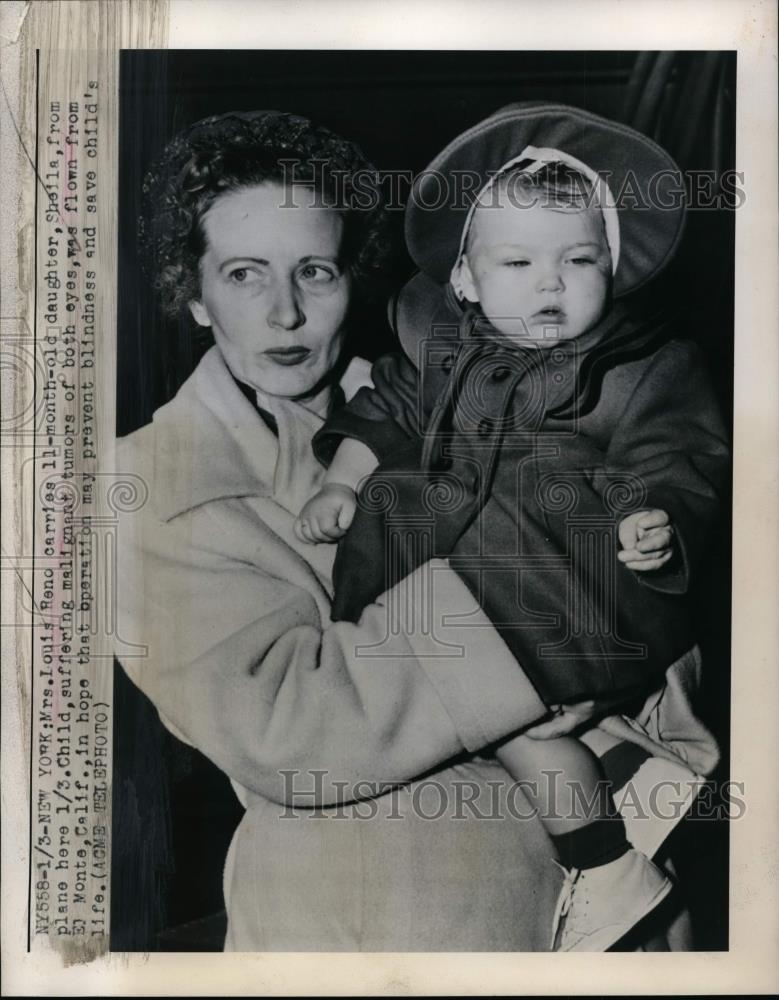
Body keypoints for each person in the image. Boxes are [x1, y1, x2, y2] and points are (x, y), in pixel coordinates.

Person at [115, 108, 613, 952]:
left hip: (596, 881)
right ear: (192, 296)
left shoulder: (457, 405)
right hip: (365, 907)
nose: (285, 314)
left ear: (352, 277)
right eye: (243, 275)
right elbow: (285, 723)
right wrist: (539, 621)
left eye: (314, 270)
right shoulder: (154, 483)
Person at [295, 105, 730, 950]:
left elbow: (681, 457)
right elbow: (384, 406)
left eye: (579, 260)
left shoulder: (646, 365)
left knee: (512, 720)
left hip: (575, 574)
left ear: (614, 267)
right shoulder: (438, 341)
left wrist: (659, 520)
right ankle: (623, 778)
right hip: (458, 574)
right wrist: (344, 483)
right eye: (519, 261)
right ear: (465, 280)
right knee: (491, 719)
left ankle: (605, 866)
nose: (550, 285)